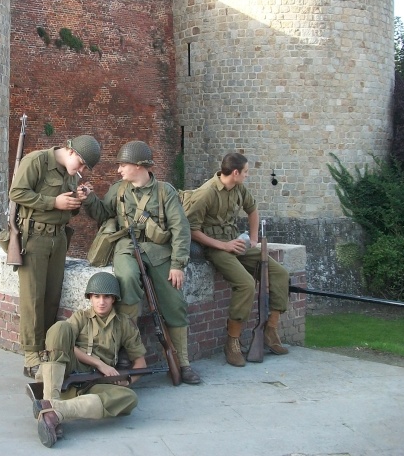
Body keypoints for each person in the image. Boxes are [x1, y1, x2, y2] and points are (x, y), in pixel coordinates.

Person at [84, 140, 201, 385]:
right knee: (126, 281)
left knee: (174, 300)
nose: (119, 170)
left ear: (139, 166)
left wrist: (178, 264)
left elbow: (180, 228)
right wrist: (89, 198)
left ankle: (183, 363)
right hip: (127, 246)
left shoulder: (164, 191)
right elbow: (103, 214)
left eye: (123, 165)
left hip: (158, 251)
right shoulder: (119, 190)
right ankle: (129, 351)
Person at [184, 152, 290, 367]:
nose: (247, 176)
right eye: (246, 172)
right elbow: (191, 229)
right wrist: (223, 245)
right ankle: (232, 341)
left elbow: (252, 209)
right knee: (246, 284)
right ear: (235, 173)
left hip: (236, 243)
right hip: (215, 248)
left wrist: (252, 239)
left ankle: (270, 329)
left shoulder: (239, 188)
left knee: (279, 273)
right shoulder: (206, 193)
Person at [9, 134, 101, 378]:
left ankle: (48, 350)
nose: (80, 170)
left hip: (58, 239)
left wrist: (76, 201)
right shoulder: (37, 161)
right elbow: (16, 193)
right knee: (33, 299)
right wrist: (54, 202)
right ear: (71, 151)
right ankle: (31, 355)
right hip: (35, 238)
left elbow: (67, 213)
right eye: (81, 164)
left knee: (52, 298)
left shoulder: (70, 174)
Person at [32, 271, 147, 448]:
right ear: (90, 298)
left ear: (114, 299)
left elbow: (140, 363)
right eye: (96, 296)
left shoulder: (124, 323)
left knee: (129, 398)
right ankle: (51, 398)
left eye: (107, 297)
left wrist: (127, 381)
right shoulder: (81, 317)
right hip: (70, 370)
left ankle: (53, 412)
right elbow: (66, 346)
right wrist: (99, 363)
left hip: (96, 381)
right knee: (60, 328)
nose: (102, 302)